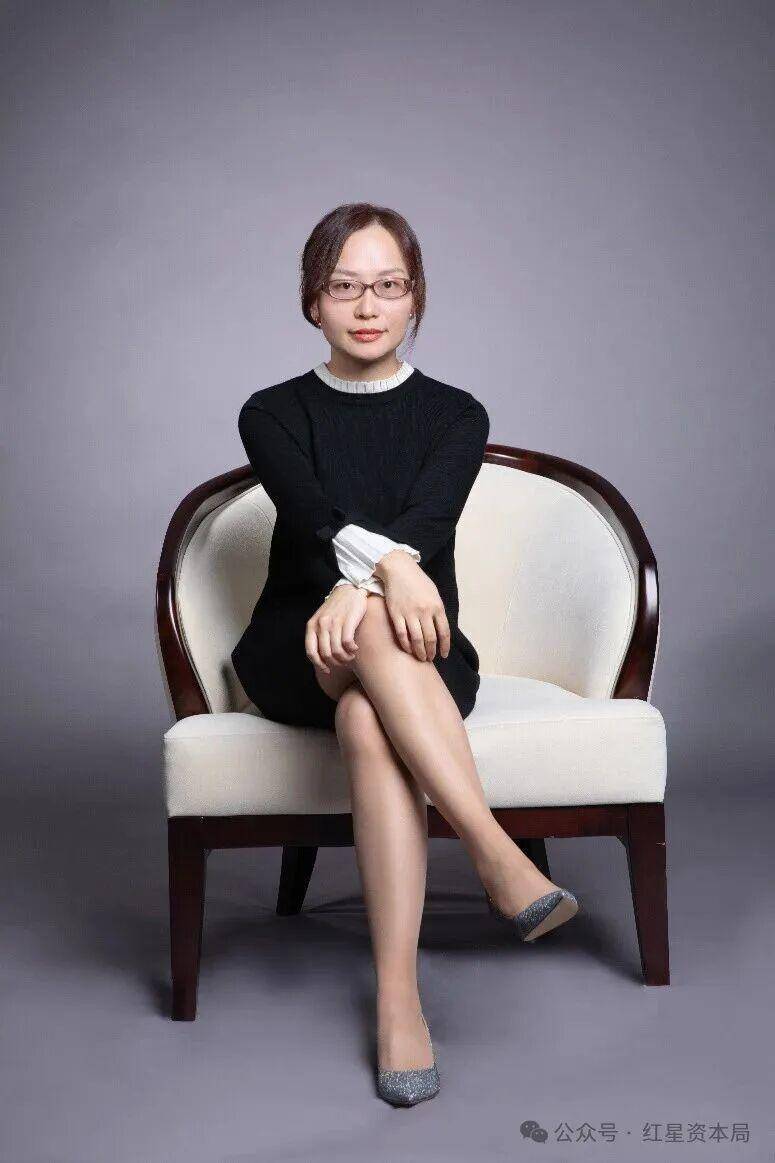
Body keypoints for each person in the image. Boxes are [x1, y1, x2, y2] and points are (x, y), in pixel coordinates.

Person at [231, 203, 578, 1106]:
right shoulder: (271, 412)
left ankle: (397, 999)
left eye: (387, 285)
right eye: (344, 286)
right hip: (294, 642)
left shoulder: (454, 414)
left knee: (366, 710)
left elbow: (429, 519)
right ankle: (492, 851)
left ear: (415, 297)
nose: (366, 306)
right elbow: (312, 515)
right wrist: (381, 571)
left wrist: (367, 586)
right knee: (373, 631)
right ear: (312, 300)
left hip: (420, 648)